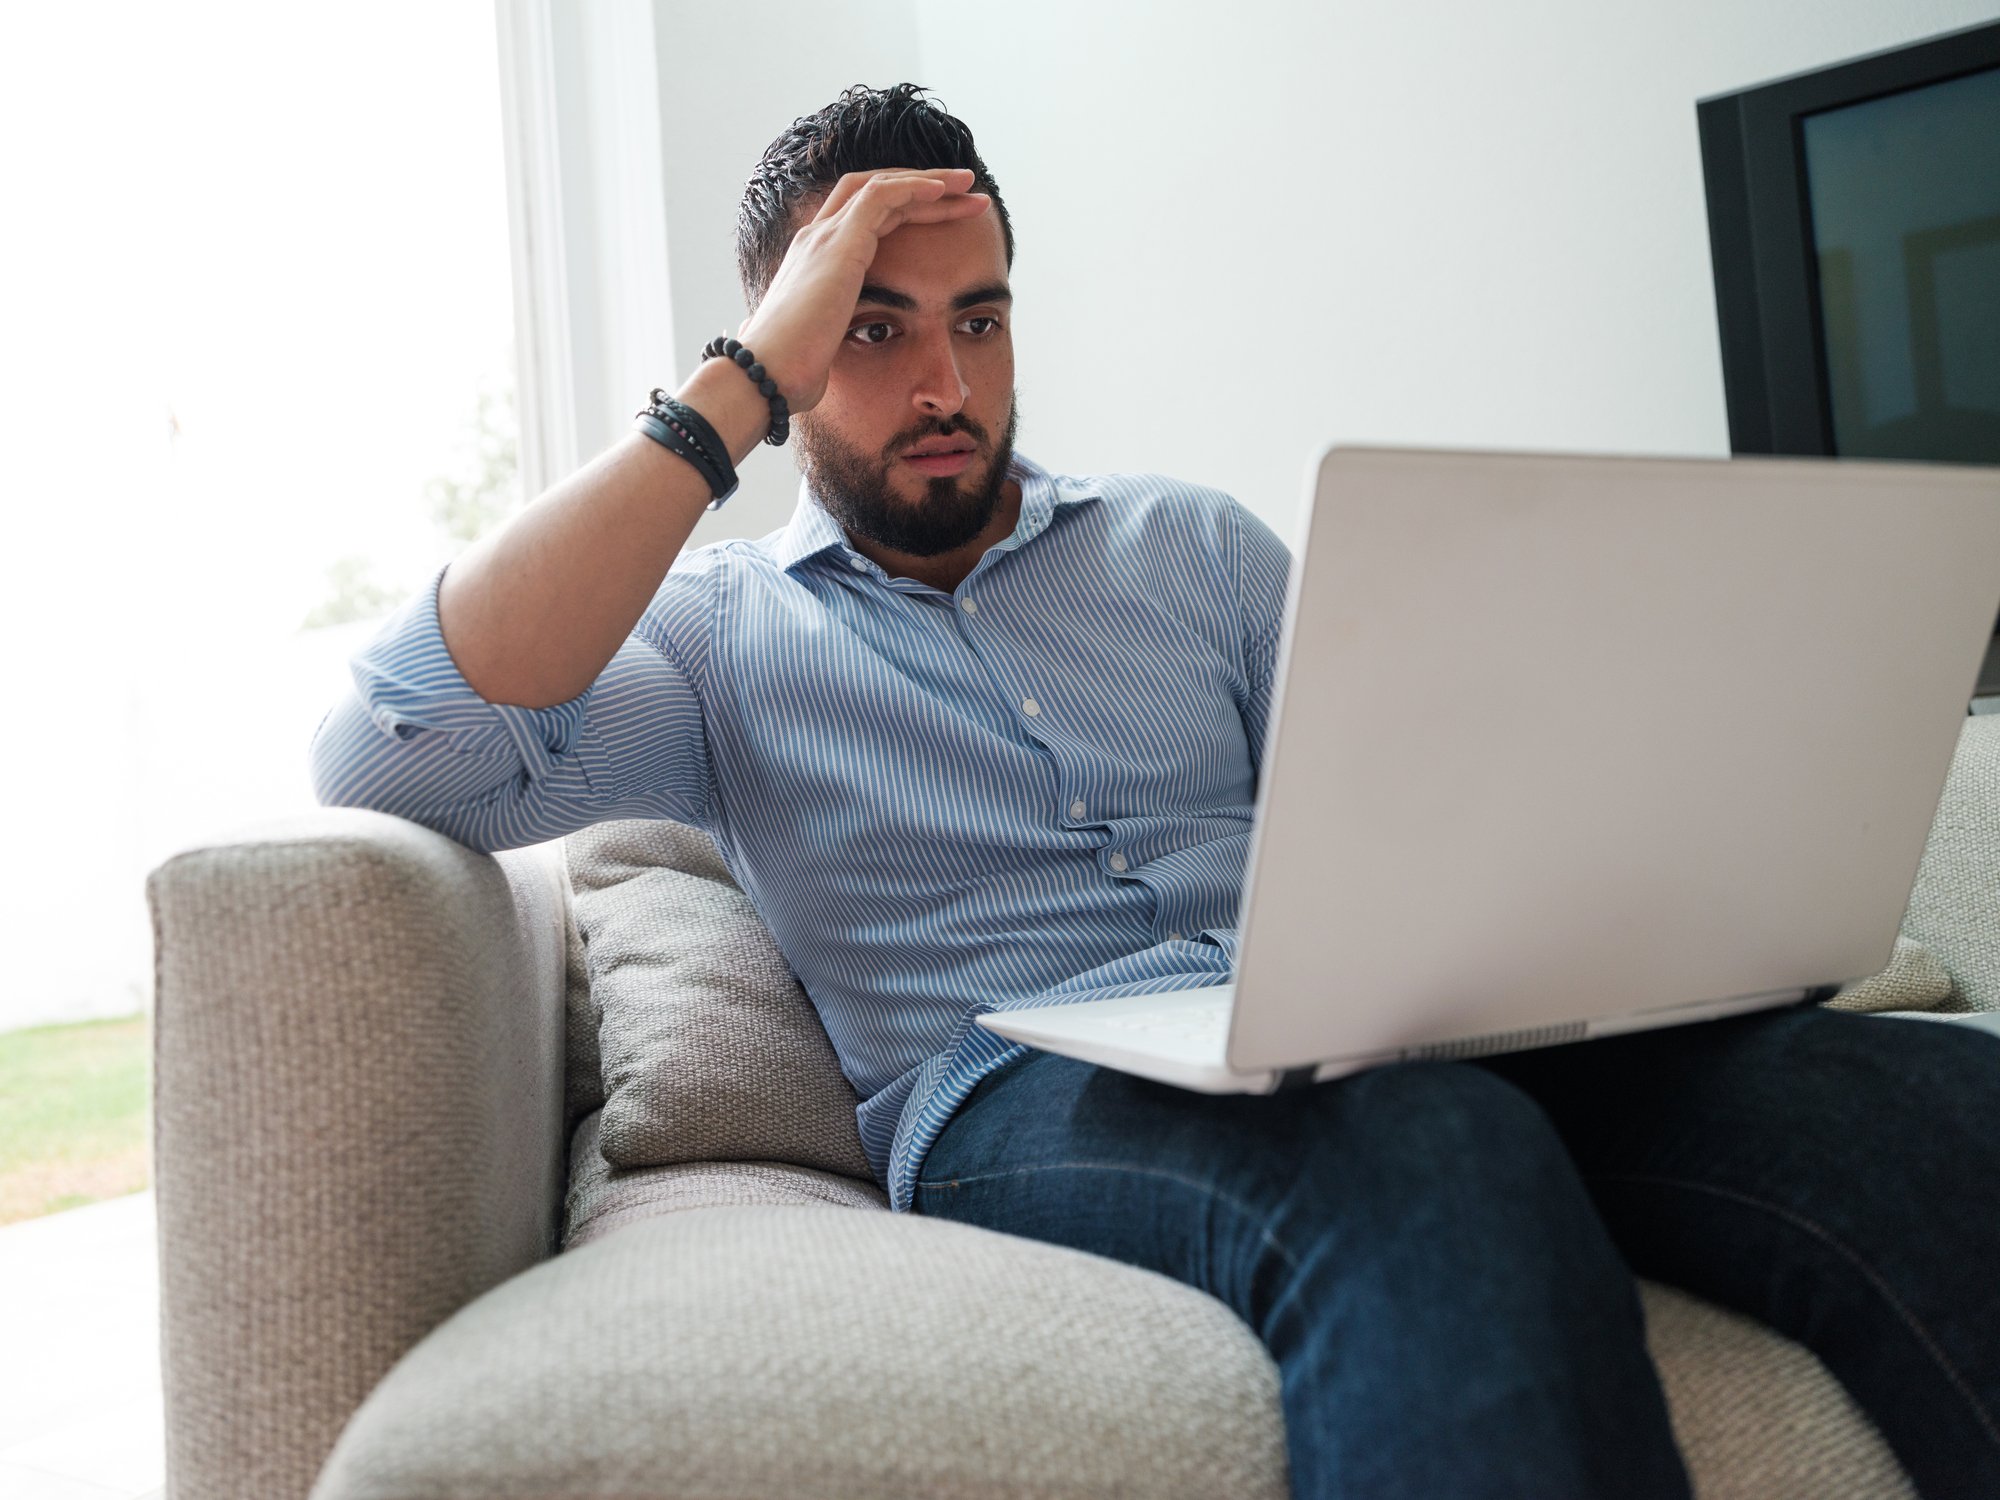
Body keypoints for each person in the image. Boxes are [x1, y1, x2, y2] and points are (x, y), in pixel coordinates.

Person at [309, 83, 2000, 1499]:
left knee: (1923, 1100)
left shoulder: (1191, 544)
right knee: (1424, 1151)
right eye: (873, 334)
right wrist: (733, 387)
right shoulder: (713, 637)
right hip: (1017, 1087)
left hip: (1368, 1021)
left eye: (978, 320)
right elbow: (396, 749)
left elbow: (1416, 800)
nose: (944, 386)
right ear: (791, 348)